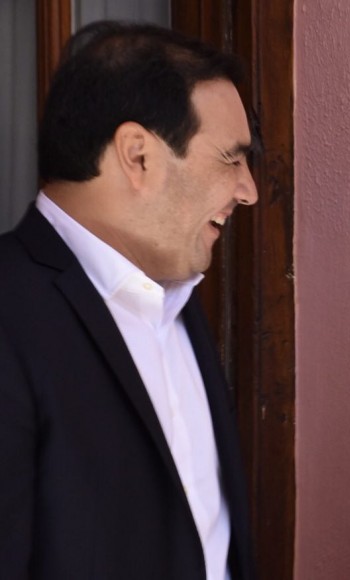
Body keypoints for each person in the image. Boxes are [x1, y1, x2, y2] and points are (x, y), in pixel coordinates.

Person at [0, 21, 258, 579]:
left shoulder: (177, 303)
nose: (248, 190)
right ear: (137, 155)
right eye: (230, 158)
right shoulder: (10, 312)